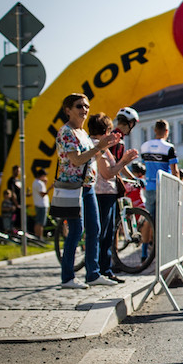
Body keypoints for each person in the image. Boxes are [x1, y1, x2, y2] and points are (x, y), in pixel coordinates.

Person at [52, 93, 118, 288]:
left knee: (95, 228)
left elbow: (91, 158)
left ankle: (93, 274)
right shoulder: (66, 132)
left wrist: (104, 148)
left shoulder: (82, 132)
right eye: (79, 106)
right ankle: (67, 277)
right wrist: (100, 147)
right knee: (76, 230)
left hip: (87, 186)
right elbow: (76, 160)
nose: (84, 110)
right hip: (73, 187)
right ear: (68, 110)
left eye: (86, 106)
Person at [89, 112, 139, 283]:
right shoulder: (98, 146)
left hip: (106, 193)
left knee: (106, 233)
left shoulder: (100, 146)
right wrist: (124, 161)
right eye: (109, 130)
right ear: (105, 131)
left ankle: (104, 270)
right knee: (103, 233)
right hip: (103, 193)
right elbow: (108, 173)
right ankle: (100, 271)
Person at [138, 118, 180, 224]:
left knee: (149, 218)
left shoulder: (144, 146)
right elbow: (175, 171)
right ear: (167, 131)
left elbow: (144, 166)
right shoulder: (169, 148)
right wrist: (178, 188)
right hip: (164, 186)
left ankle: (146, 235)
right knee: (163, 219)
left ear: (155, 130)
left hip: (149, 186)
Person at [31, 170, 49, 237]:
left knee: (38, 221)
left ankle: (37, 235)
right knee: (40, 223)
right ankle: (39, 236)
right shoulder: (39, 183)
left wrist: (45, 184)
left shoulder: (35, 182)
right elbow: (43, 194)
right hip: (41, 204)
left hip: (38, 204)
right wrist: (50, 187)